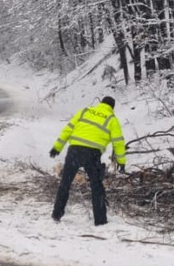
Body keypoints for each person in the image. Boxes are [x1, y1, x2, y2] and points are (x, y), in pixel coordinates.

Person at [49, 95, 126, 225]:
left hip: (74, 150)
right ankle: (100, 221)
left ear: (100, 103)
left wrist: (57, 147)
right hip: (92, 154)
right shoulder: (112, 119)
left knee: (65, 183)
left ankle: (56, 214)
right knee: (96, 186)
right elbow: (118, 142)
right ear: (112, 108)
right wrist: (121, 162)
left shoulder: (85, 111)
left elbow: (68, 129)